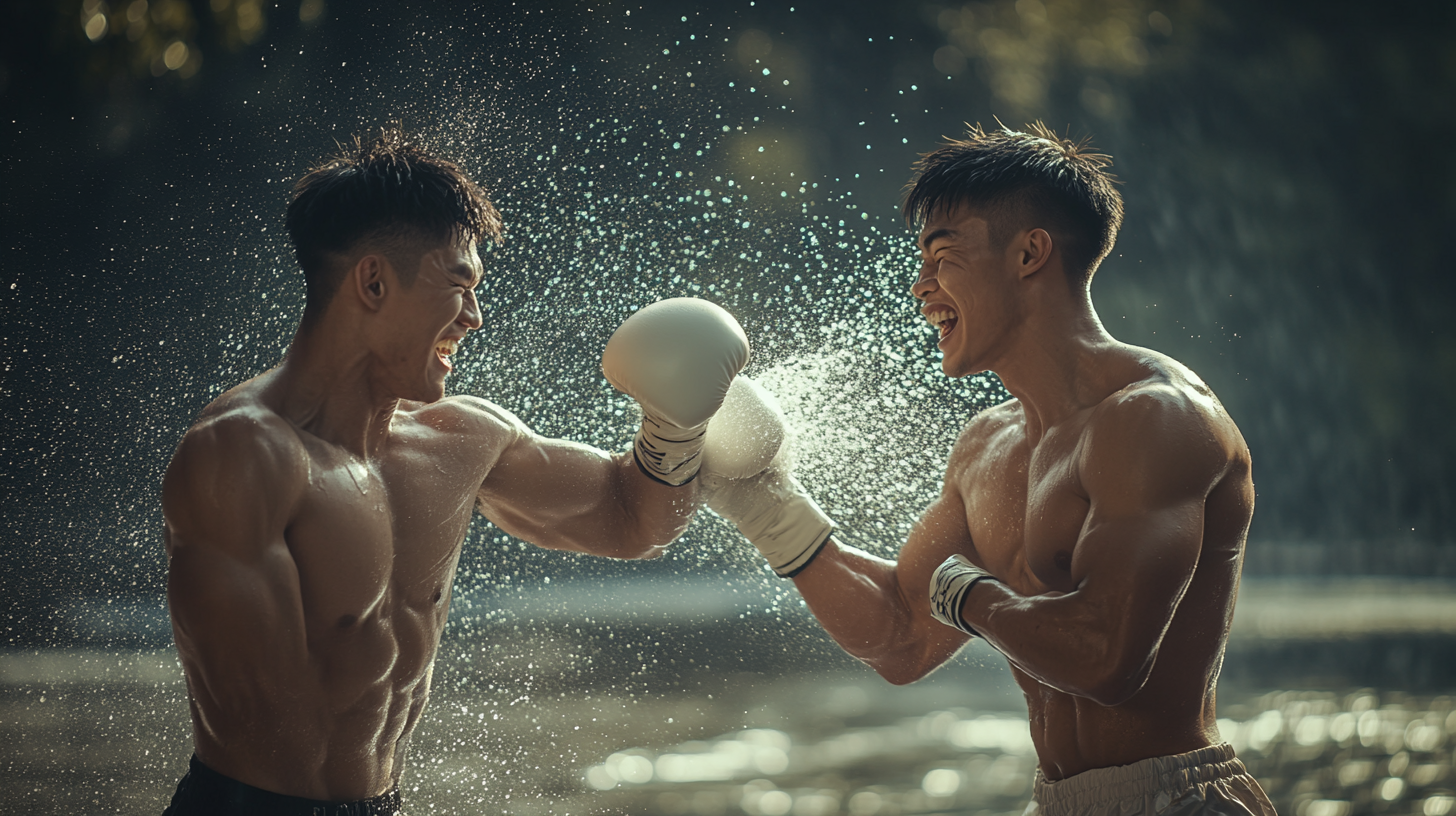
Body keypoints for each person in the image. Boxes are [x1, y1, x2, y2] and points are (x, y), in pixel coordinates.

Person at [159, 127, 749, 815]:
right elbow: (272, 727)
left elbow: (634, 520)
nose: (474, 316)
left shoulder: (461, 440)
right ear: (373, 281)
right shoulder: (243, 457)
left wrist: (674, 433)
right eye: (458, 284)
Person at [702, 123, 1278, 815]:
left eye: (942, 256)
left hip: (1176, 800)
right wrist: (768, 509)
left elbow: (1107, 661)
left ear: (1030, 253)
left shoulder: (1154, 420)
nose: (921, 289)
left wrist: (967, 595)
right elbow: (903, 638)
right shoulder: (988, 446)